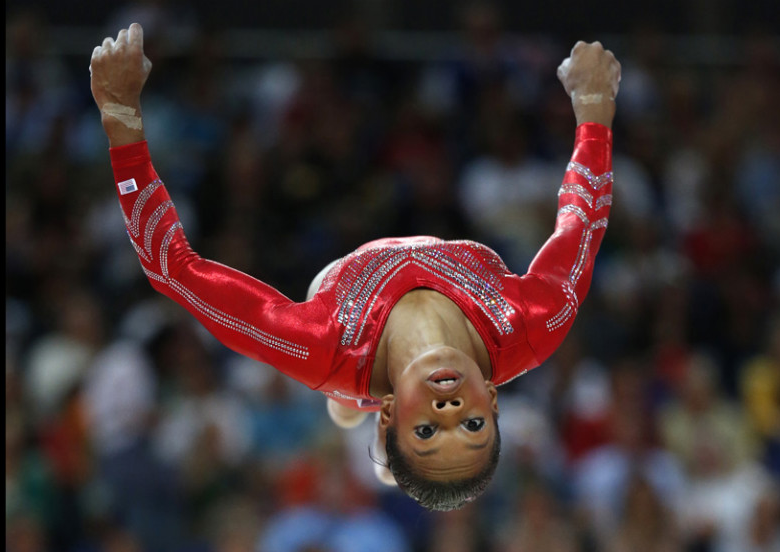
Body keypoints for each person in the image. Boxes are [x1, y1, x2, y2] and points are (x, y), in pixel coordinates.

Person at [89, 22, 620, 511]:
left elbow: (172, 269)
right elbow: (583, 220)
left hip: (350, 333)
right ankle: (367, 433)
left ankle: (353, 413)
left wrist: (121, 118)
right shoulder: (530, 325)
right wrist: (594, 110)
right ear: (494, 401)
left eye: (428, 433)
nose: (449, 408)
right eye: (472, 423)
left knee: (342, 398)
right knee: (350, 409)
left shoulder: (324, 345)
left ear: (393, 415)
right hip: (420, 291)